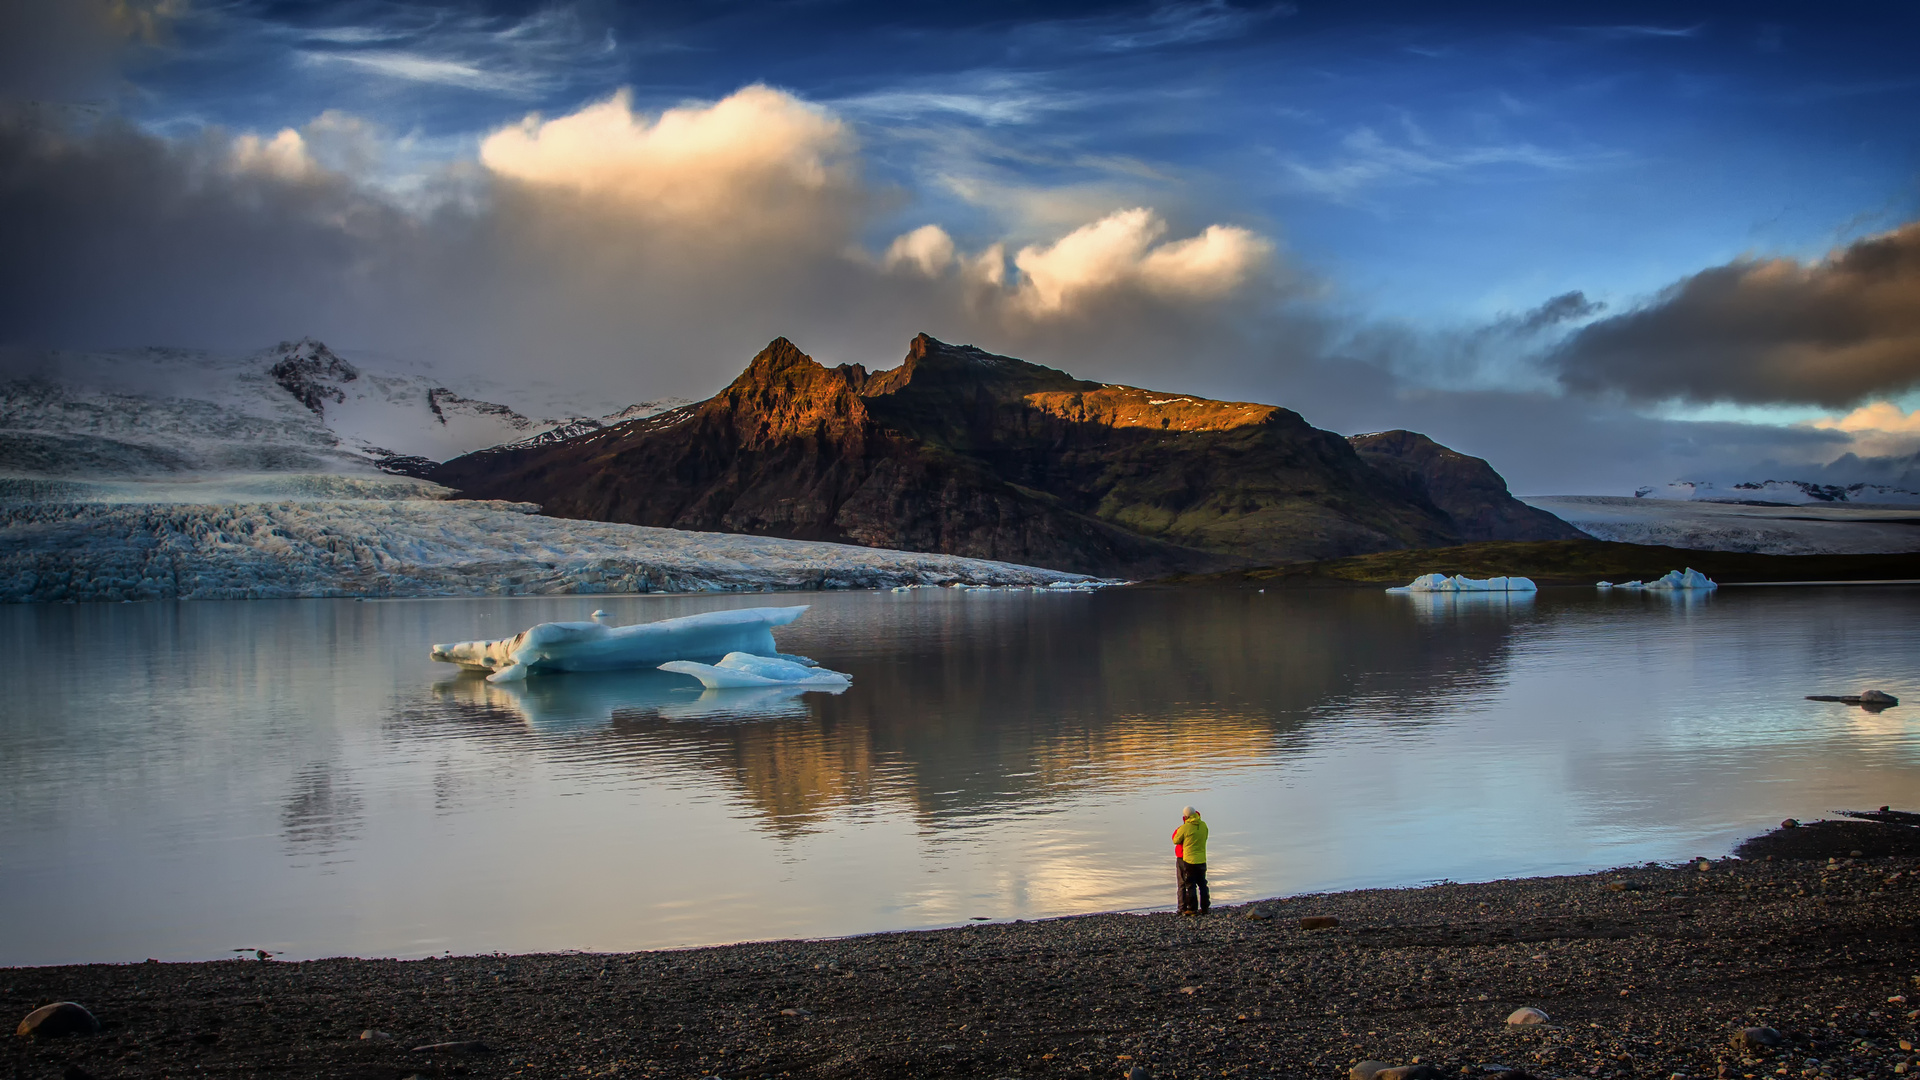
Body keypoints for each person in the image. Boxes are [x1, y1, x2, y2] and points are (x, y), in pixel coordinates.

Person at [1172, 805, 1210, 915]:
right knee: (1203, 884)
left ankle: (1192, 908)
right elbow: (1205, 836)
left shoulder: (1185, 827)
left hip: (1189, 860)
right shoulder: (1203, 825)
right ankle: (1205, 907)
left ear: (1185, 816)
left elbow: (1176, 840)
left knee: (1190, 885)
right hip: (1202, 859)